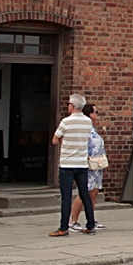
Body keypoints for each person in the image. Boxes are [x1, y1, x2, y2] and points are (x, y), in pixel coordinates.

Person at [49, 93, 96, 236]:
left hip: (67, 163)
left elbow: (55, 140)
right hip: (81, 163)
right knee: (84, 195)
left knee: (66, 196)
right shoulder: (88, 122)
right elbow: (87, 138)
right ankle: (90, 224)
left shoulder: (66, 122)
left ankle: (64, 227)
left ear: (73, 106)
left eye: (69, 104)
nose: (68, 106)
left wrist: (65, 142)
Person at [69, 103, 107, 231]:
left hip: (97, 165)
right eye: (96, 112)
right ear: (89, 114)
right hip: (88, 165)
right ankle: (73, 221)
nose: (97, 115)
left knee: (94, 193)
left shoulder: (93, 130)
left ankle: (91, 219)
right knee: (83, 193)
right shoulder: (84, 129)